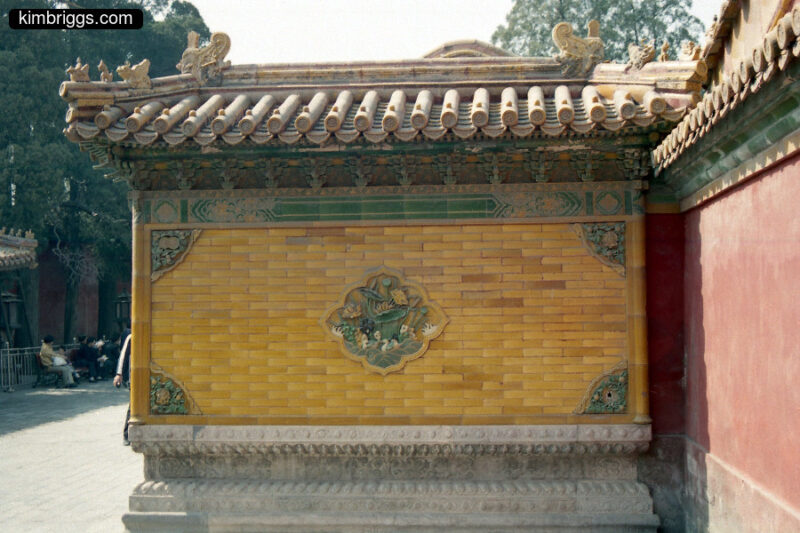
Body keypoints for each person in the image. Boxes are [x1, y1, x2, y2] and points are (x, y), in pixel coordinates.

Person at [113, 330, 131, 445]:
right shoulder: (131, 337)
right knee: (134, 405)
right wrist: (119, 374)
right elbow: (123, 356)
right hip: (134, 376)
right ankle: (127, 435)